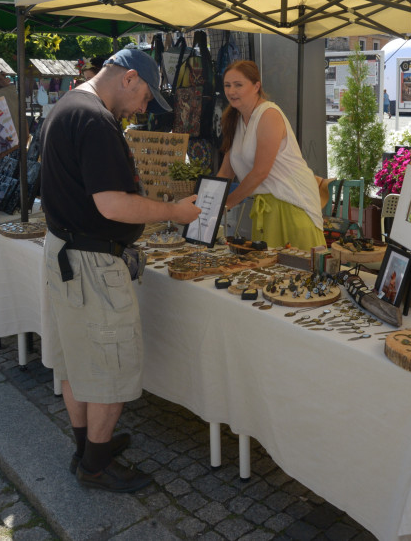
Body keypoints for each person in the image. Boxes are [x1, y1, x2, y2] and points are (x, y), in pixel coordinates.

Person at [41, 43, 200, 493]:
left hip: (66, 251)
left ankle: (87, 448)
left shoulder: (67, 105)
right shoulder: (96, 120)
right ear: (129, 78)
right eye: (146, 98)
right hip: (91, 262)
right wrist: (172, 212)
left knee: (77, 360)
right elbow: (111, 204)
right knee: (109, 364)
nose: (144, 108)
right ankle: (95, 465)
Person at [217, 60, 325, 251]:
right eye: (227, 85)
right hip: (266, 207)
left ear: (256, 86)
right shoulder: (234, 119)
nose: (231, 91)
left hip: (292, 202)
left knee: (301, 272)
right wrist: (207, 200)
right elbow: (225, 172)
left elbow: (260, 172)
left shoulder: (268, 115)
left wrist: (224, 205)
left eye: (238, 85)